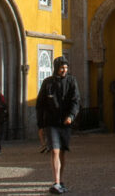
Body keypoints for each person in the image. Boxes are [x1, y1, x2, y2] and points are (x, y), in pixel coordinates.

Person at [36, 56, 80, 195]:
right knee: (54, 151)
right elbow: (40, 105)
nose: (64, 70)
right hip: (51, 123)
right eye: (62, 68)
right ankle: (56, 182)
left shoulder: (72, 81)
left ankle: (60, 181)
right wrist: (40, 126)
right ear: (56, 68)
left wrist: (71, 116)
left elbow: (76, 101)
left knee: (61, 152)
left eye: (66, 68)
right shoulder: (47, 83)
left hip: (65, 123)